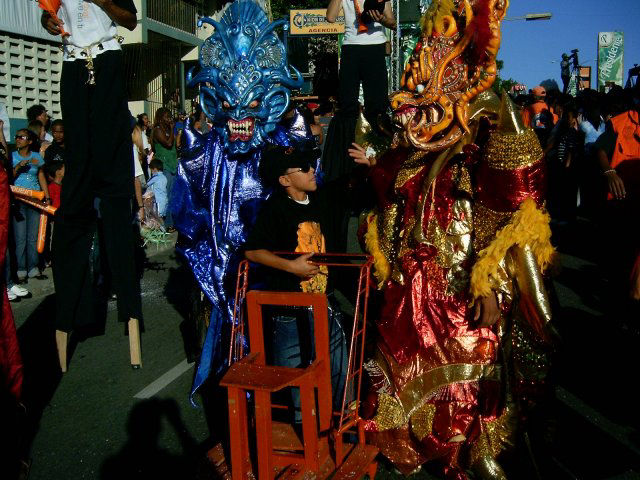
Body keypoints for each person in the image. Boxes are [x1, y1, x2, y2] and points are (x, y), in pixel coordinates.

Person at [41, 0, 142, 351]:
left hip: (106, 60)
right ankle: (73, 311)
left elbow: (130, 20)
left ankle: (127, 304)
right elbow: (49, 15)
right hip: (73, 64)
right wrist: (49, 22)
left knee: (113, 173)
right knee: (77, 178)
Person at [244, 143, 370, 420]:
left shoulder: (324, 198)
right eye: (304, 168)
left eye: (311, 164)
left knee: (338, 365)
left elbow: (353, 186)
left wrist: (369, 163)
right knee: (293, 371)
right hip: (288, 310)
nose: (313, 170)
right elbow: (253, 250)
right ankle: (305, 426)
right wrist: (291, 266)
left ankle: (341, 423)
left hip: (324, 303)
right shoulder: (274, 208)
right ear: (285, 180)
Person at [11, 129, 46, 281]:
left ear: (30, 141)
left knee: (33, 236)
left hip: (35, 200)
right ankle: (20, 268)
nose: (18, 139)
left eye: (22, 137)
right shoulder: (11, 156)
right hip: (18, 200)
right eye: (17, 137)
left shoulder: (37, 157)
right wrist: (18, 167)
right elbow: (7, 177)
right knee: (20, 237)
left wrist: (48, 196)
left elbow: (41, 176)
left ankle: (33, 267)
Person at [151, 107, 177, 230]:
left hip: (172, 165)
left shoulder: (168, 130)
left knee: (172, 195)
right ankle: (167, 224)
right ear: (161, 118)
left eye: (170, 116)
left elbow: (175, 144)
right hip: (164, 166)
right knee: (165, 195)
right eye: (167, 116)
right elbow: (168, 143)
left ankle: (171, 222)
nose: (170, 119)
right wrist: (172, 129)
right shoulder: (157, 130)